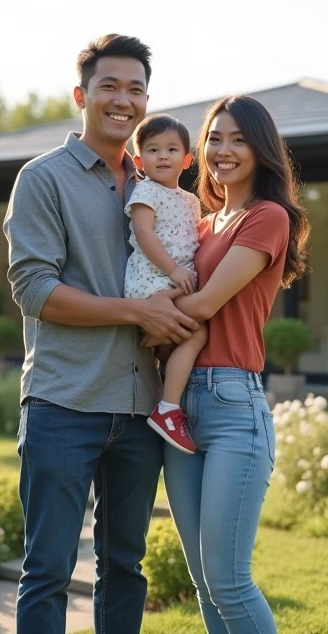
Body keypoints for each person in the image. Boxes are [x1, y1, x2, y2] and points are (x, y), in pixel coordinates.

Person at [3, 34, 198, 634]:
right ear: (81, 94)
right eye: (109, 86)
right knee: (49, 571)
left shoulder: (159, 184)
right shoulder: (43, 179)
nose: (123, 99)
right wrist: (136, 313)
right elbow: (33, 289)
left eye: (136, 88)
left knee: (124, 566)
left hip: (141, 408)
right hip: (65, 402)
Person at [160, 95, 311, 633]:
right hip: (179, 406)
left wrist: (141, 309)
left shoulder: (267, 217)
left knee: (228, 579)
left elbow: (202, 305)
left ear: (261, 148)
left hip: (231, 405)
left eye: (238, 139)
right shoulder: (203, 225)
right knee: (203, 580)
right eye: (215, 138)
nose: (222, 151)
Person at [124, 114, 206, 455]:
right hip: (152, 280)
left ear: (186, 159)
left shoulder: (191, 201)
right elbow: (144, 234)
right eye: (154, 150)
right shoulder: (145, 191)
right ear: (140, 162)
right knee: (198, 332)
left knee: (180, 342)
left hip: (176, 281)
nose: (163, 156)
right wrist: (173, 271)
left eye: (172, 149)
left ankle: (166, 393)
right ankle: (168, 409)